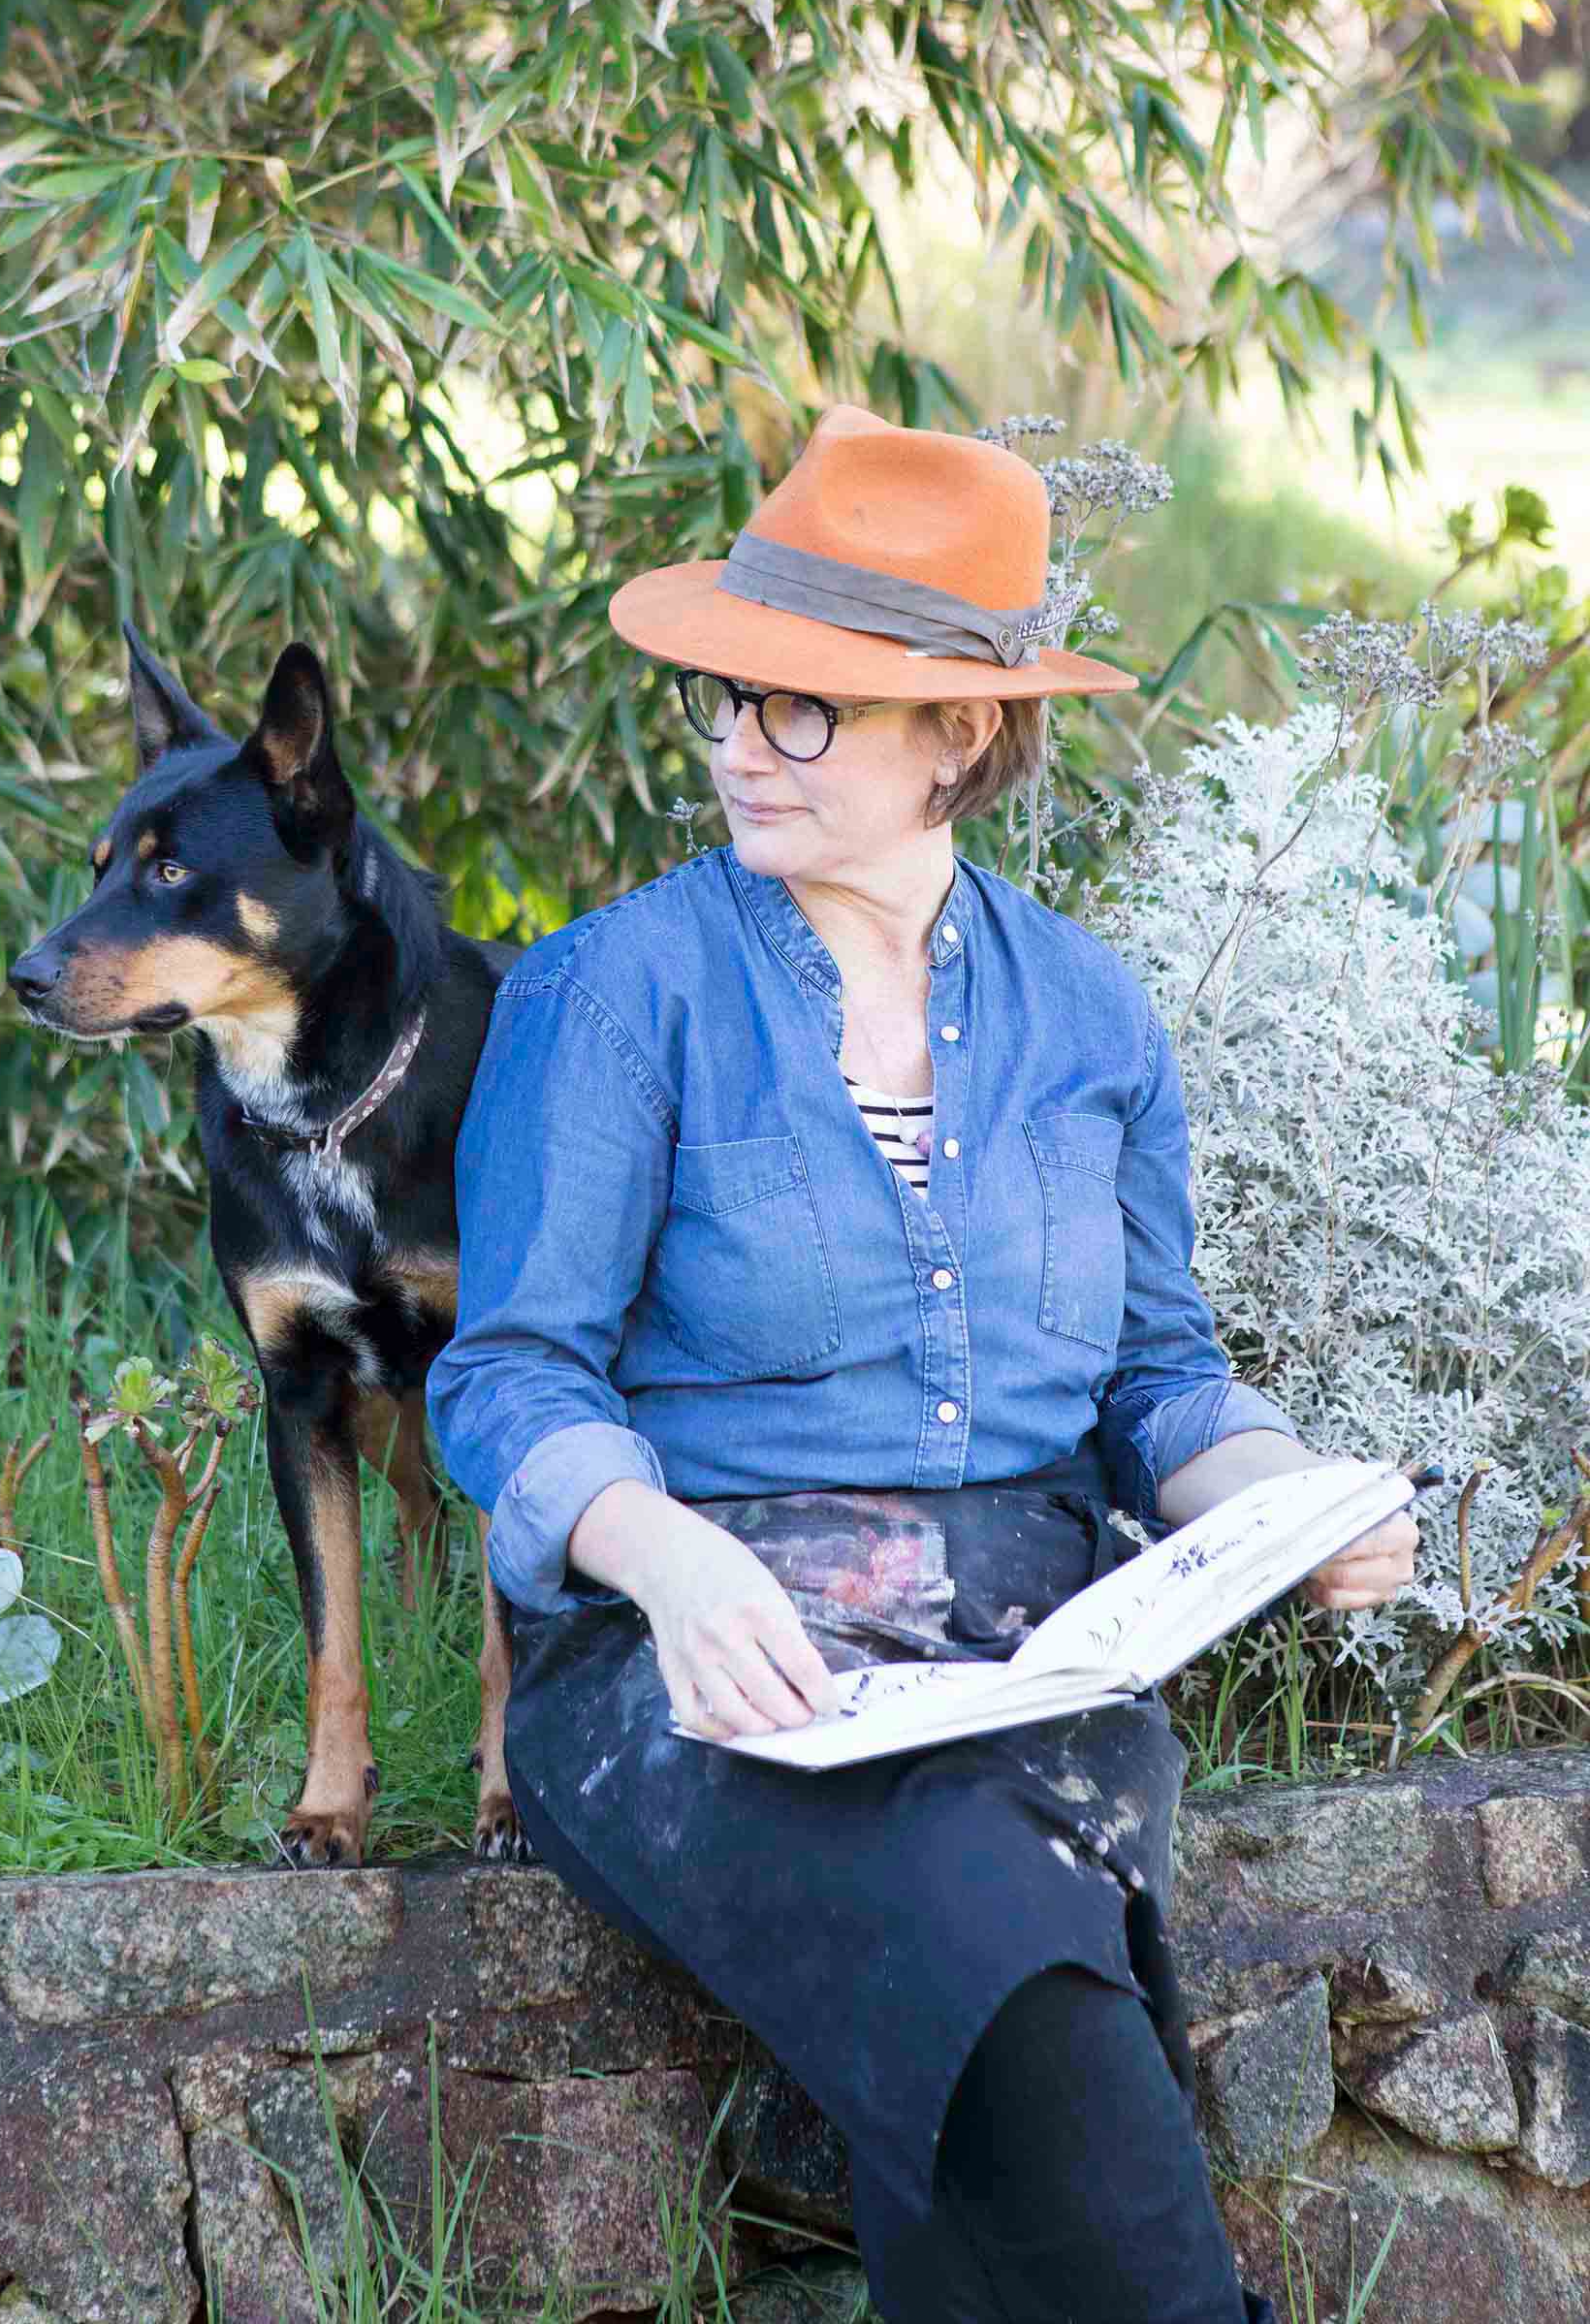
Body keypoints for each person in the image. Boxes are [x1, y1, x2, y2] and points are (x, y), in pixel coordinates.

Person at [428, 405, 1419, 2323]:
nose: (738, 743)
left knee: (997, 1994)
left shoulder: (1089, 1010)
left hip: (1027, 1665)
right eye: (733, 694)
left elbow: (1157, 1378)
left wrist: (1285, 1500)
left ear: (961, 733)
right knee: (1019, 1976)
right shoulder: (617, 991)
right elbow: (513, 1380)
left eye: (806, 709)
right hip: (704, 1665)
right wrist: (676, 1560)